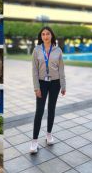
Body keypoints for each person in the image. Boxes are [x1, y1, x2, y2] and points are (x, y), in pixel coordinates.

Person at [30, 26, 66, 154]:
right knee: (39, 111)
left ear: (51, 36)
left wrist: (63, 85)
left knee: (51, 108)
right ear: (41, 36)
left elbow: (61, 69)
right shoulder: (36, 50)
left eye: (48, 34)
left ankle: (49, 134)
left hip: (55, 83)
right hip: (42, 83)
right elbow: (34, 70)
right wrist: (36, 87)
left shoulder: (58, 50)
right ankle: (34, 141)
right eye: (43, 34)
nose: (45, 36)